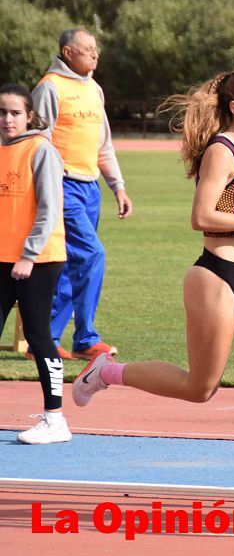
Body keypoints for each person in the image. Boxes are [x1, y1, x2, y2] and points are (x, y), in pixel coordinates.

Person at [71, 68, 234, 507]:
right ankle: (105, 372)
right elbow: (202, 217)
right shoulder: (223, 151)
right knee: (201, 387)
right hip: (214, 276)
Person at [31, 27, 131, 361]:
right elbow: (38, 142)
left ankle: (44, 338)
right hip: (62, 185)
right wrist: (46, 185)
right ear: (67, 52)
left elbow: (104, 145)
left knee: (71, 261)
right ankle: (86, 337)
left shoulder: (95, 90)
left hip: (90, 188)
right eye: (87, 48)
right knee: (91, 255)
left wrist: (117, 186)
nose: (95, 53)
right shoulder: (49, 87)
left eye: (96, 49)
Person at [0, 84, 69, 444]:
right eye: (2, 112)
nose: (7, 119)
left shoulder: (40, 149)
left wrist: (28, 254)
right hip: (3, 257)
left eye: (14, 112)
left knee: (39, 336)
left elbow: (49, 208)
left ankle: (55, 418)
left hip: (38, 259)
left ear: (29, 115)